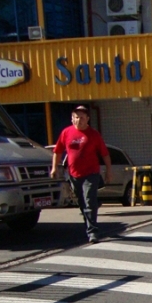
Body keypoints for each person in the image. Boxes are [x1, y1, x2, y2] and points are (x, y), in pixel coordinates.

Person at [50, 105, 111, 244]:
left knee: (89, 199)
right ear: (72, 119)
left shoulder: (94, 134)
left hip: (91, 173)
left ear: (88, 119)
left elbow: (105, 154)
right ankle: (89, 226)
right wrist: (54, 168)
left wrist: (109, 171)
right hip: (74, 174)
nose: (79, 120)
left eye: (82, 117)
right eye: (76, 117)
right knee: (82, 203)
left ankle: (93, 232)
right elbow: (57, 151)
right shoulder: (66, 133)